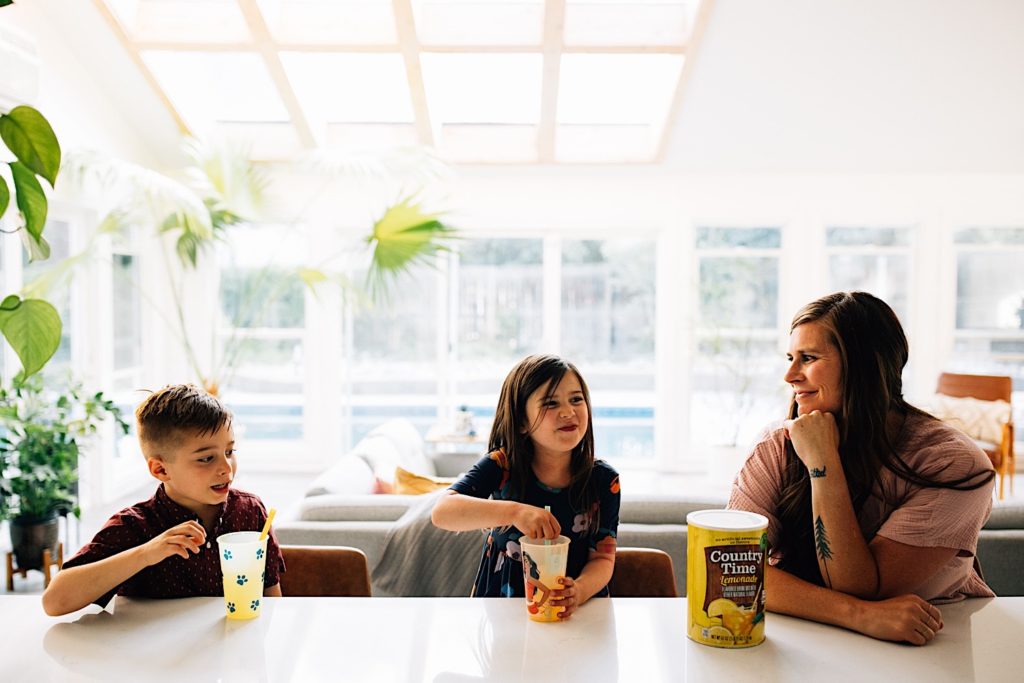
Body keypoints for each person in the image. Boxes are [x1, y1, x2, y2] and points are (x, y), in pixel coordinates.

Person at [728, 291, 995, 646]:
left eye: (808, 358)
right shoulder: (777, 444)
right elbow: (734, 567)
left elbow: (863, 587)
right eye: (790, 357)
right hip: (805, 634)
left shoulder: (950, 462)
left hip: (933, 639)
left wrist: (823, 465)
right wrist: (858, 615)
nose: (789, 375)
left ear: (863, 366)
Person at [42, 384, 284, 616]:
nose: (225, 468)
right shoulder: (134, 527)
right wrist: (146, 553)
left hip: (234, 654)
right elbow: (54, 602)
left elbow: (273, 604)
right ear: (160, 470)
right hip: (153, 657)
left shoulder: (251, 513)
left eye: (229, 452)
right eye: (206, 458)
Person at [432, 354, 620, 618]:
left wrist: (578, 591)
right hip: (503, 609)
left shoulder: (604, 480)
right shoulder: (501, 466)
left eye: (576, 399)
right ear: (521, 421)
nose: (568, 411)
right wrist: (514, 512)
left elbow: (602, 559)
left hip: (575, 614)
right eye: (550, 403)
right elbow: (442, 512)